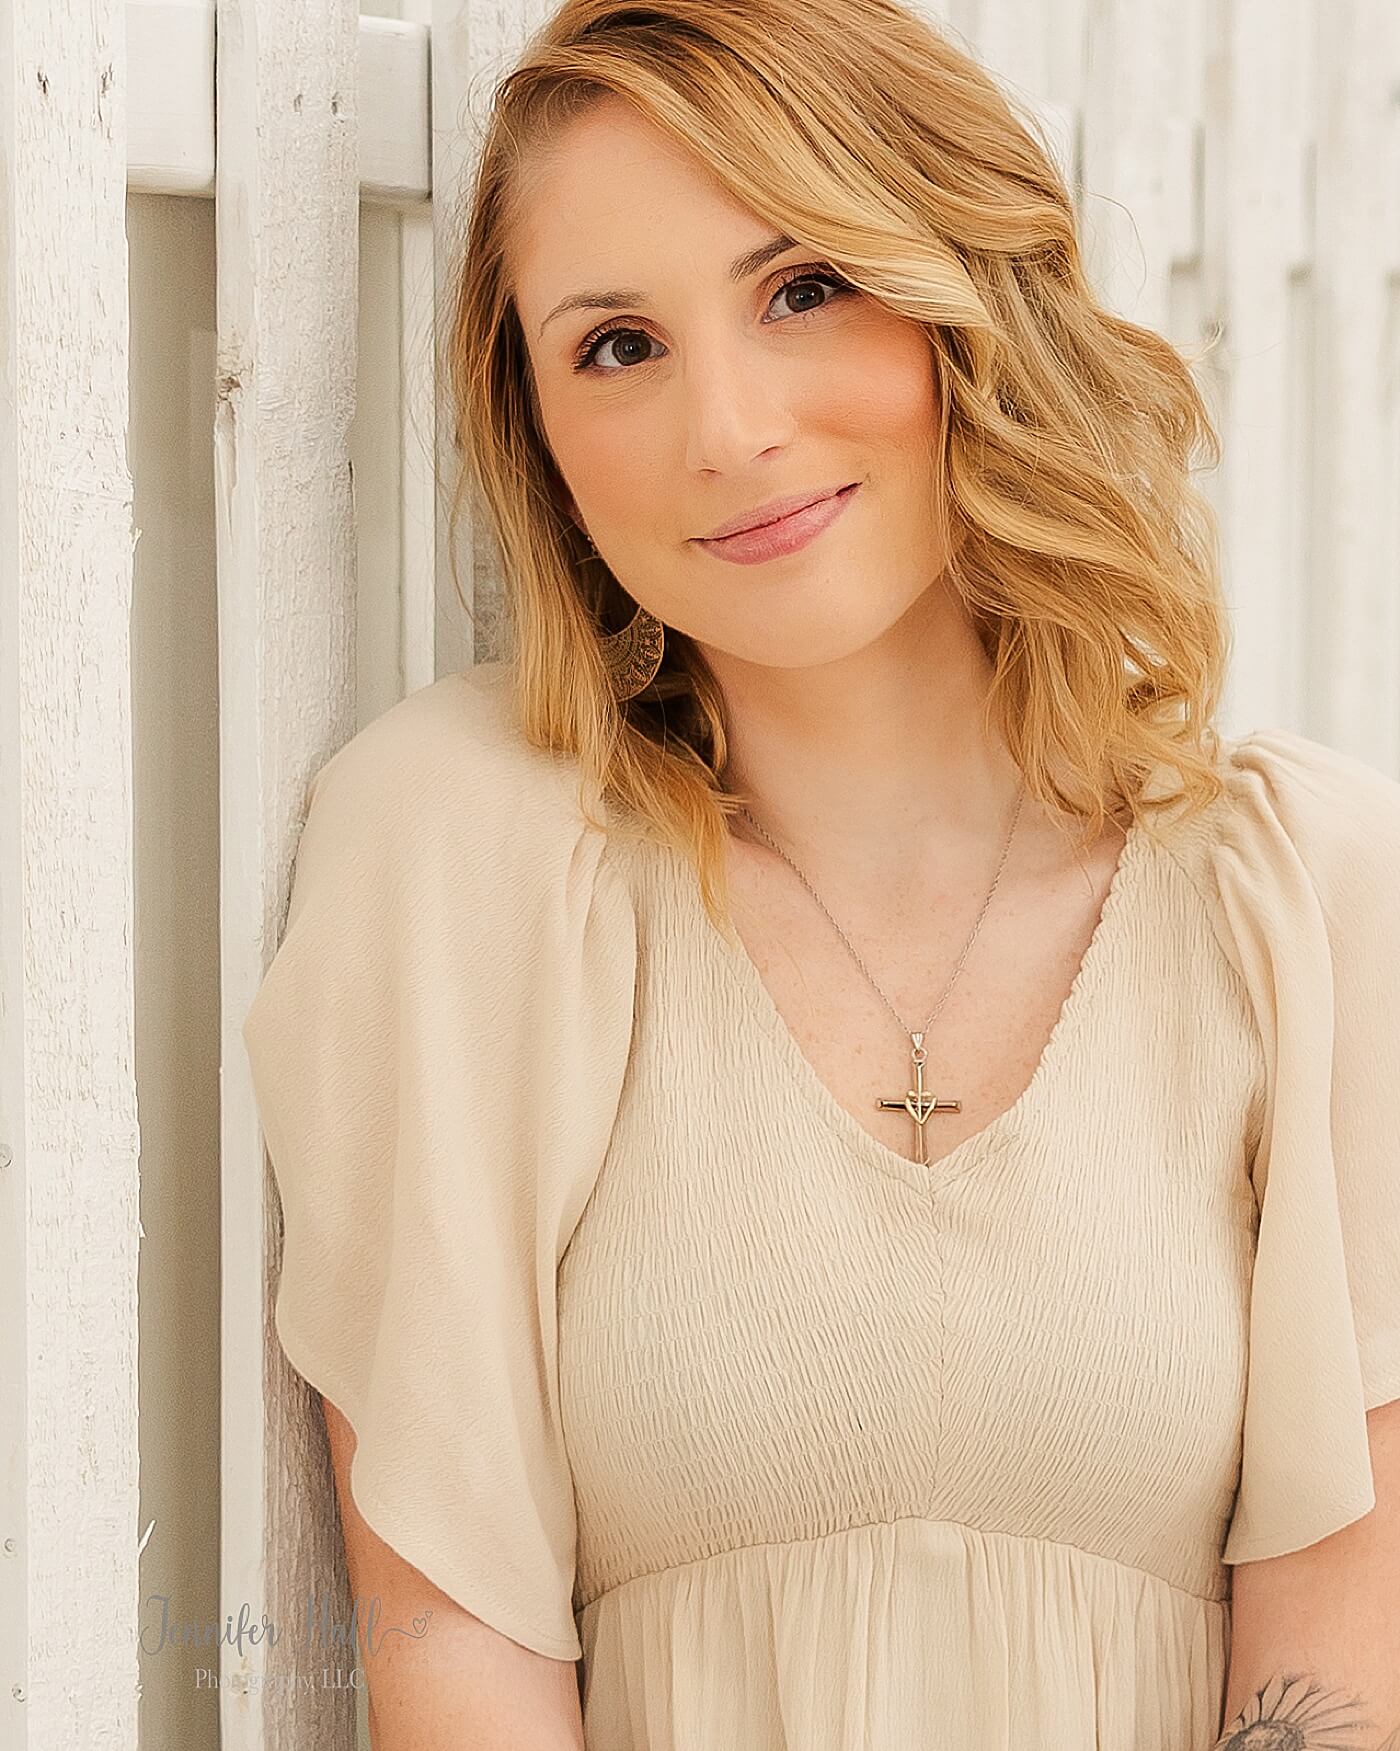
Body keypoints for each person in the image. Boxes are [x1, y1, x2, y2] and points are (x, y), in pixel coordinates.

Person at [241, 1, 1400, 1746]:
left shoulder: (1311, 903)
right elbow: (448, 1653)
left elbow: (1337, 1676)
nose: (730, 427)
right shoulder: (466, 864)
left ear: (964, 295)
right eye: (616, 346)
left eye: (803, 288)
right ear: (540, 437)